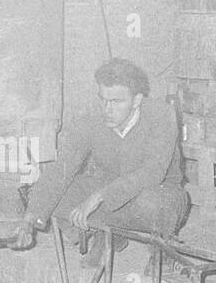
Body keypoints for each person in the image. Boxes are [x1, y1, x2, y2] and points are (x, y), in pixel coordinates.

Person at [10, 58, 187, 253]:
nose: (107, 109)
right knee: (47, 199)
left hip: (156, 191)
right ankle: (108, 232)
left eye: (117, 101)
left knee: (152, 204)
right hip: (109, 191)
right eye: (103, 99)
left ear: (137, 100)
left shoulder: (161, 114)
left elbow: (152, 172)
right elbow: (62, 167)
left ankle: (161, 245)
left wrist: (98, 197)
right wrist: (28, 220)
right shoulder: (93, 117)